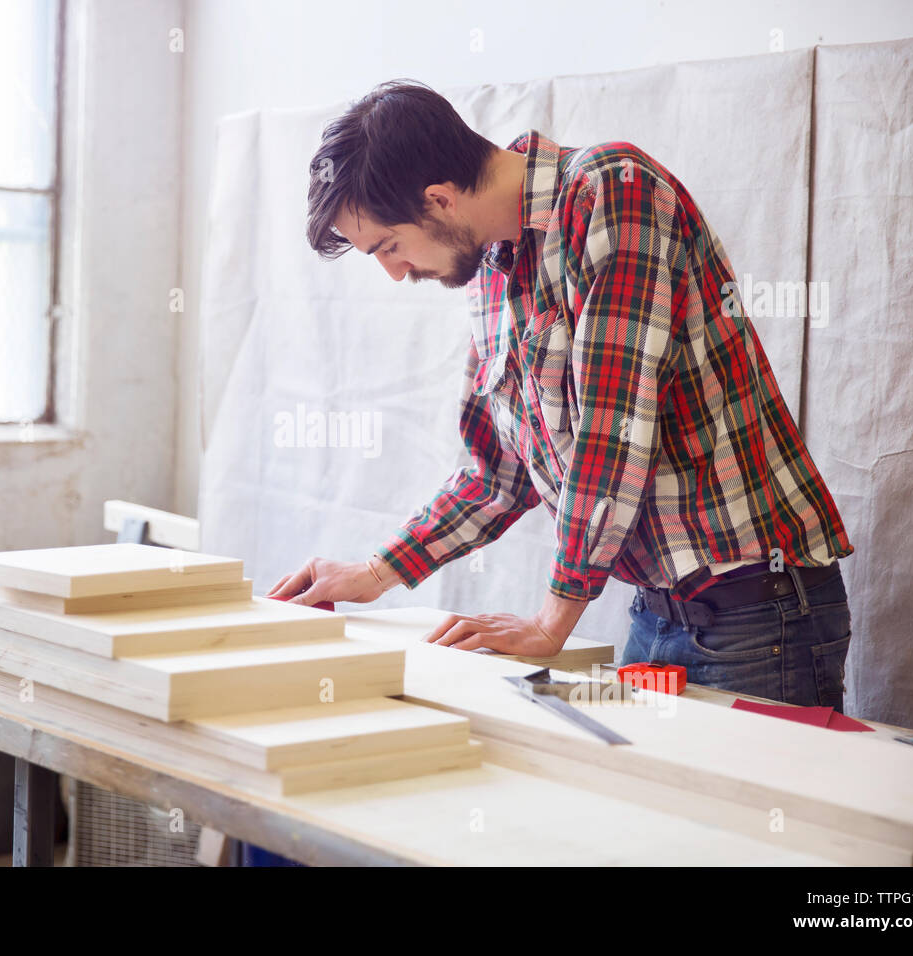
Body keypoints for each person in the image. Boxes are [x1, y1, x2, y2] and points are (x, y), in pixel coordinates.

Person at [267, 80, 854, 708]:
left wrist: (552, 622)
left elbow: (614, 434)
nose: (395, 270)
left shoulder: (615, 191)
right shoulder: (492, 270)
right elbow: (496, 474)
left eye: (387, 245)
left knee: (750, 807)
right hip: (656, 614)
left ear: (438, 200)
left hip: (758, 616)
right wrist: (376, 572)